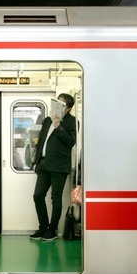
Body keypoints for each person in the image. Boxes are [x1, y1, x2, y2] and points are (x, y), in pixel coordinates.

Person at [30, 93, 77, 241]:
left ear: (68, 108)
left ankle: (52, 229)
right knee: (38, 196)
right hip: (43, 164)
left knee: (55, 199)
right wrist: (36, 162)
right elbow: (41, 142)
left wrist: (58, 126)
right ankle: (43, 227)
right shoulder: (46, 120)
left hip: (59, 166)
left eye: (62, 105)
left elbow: (70, 142)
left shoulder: (72, 122)